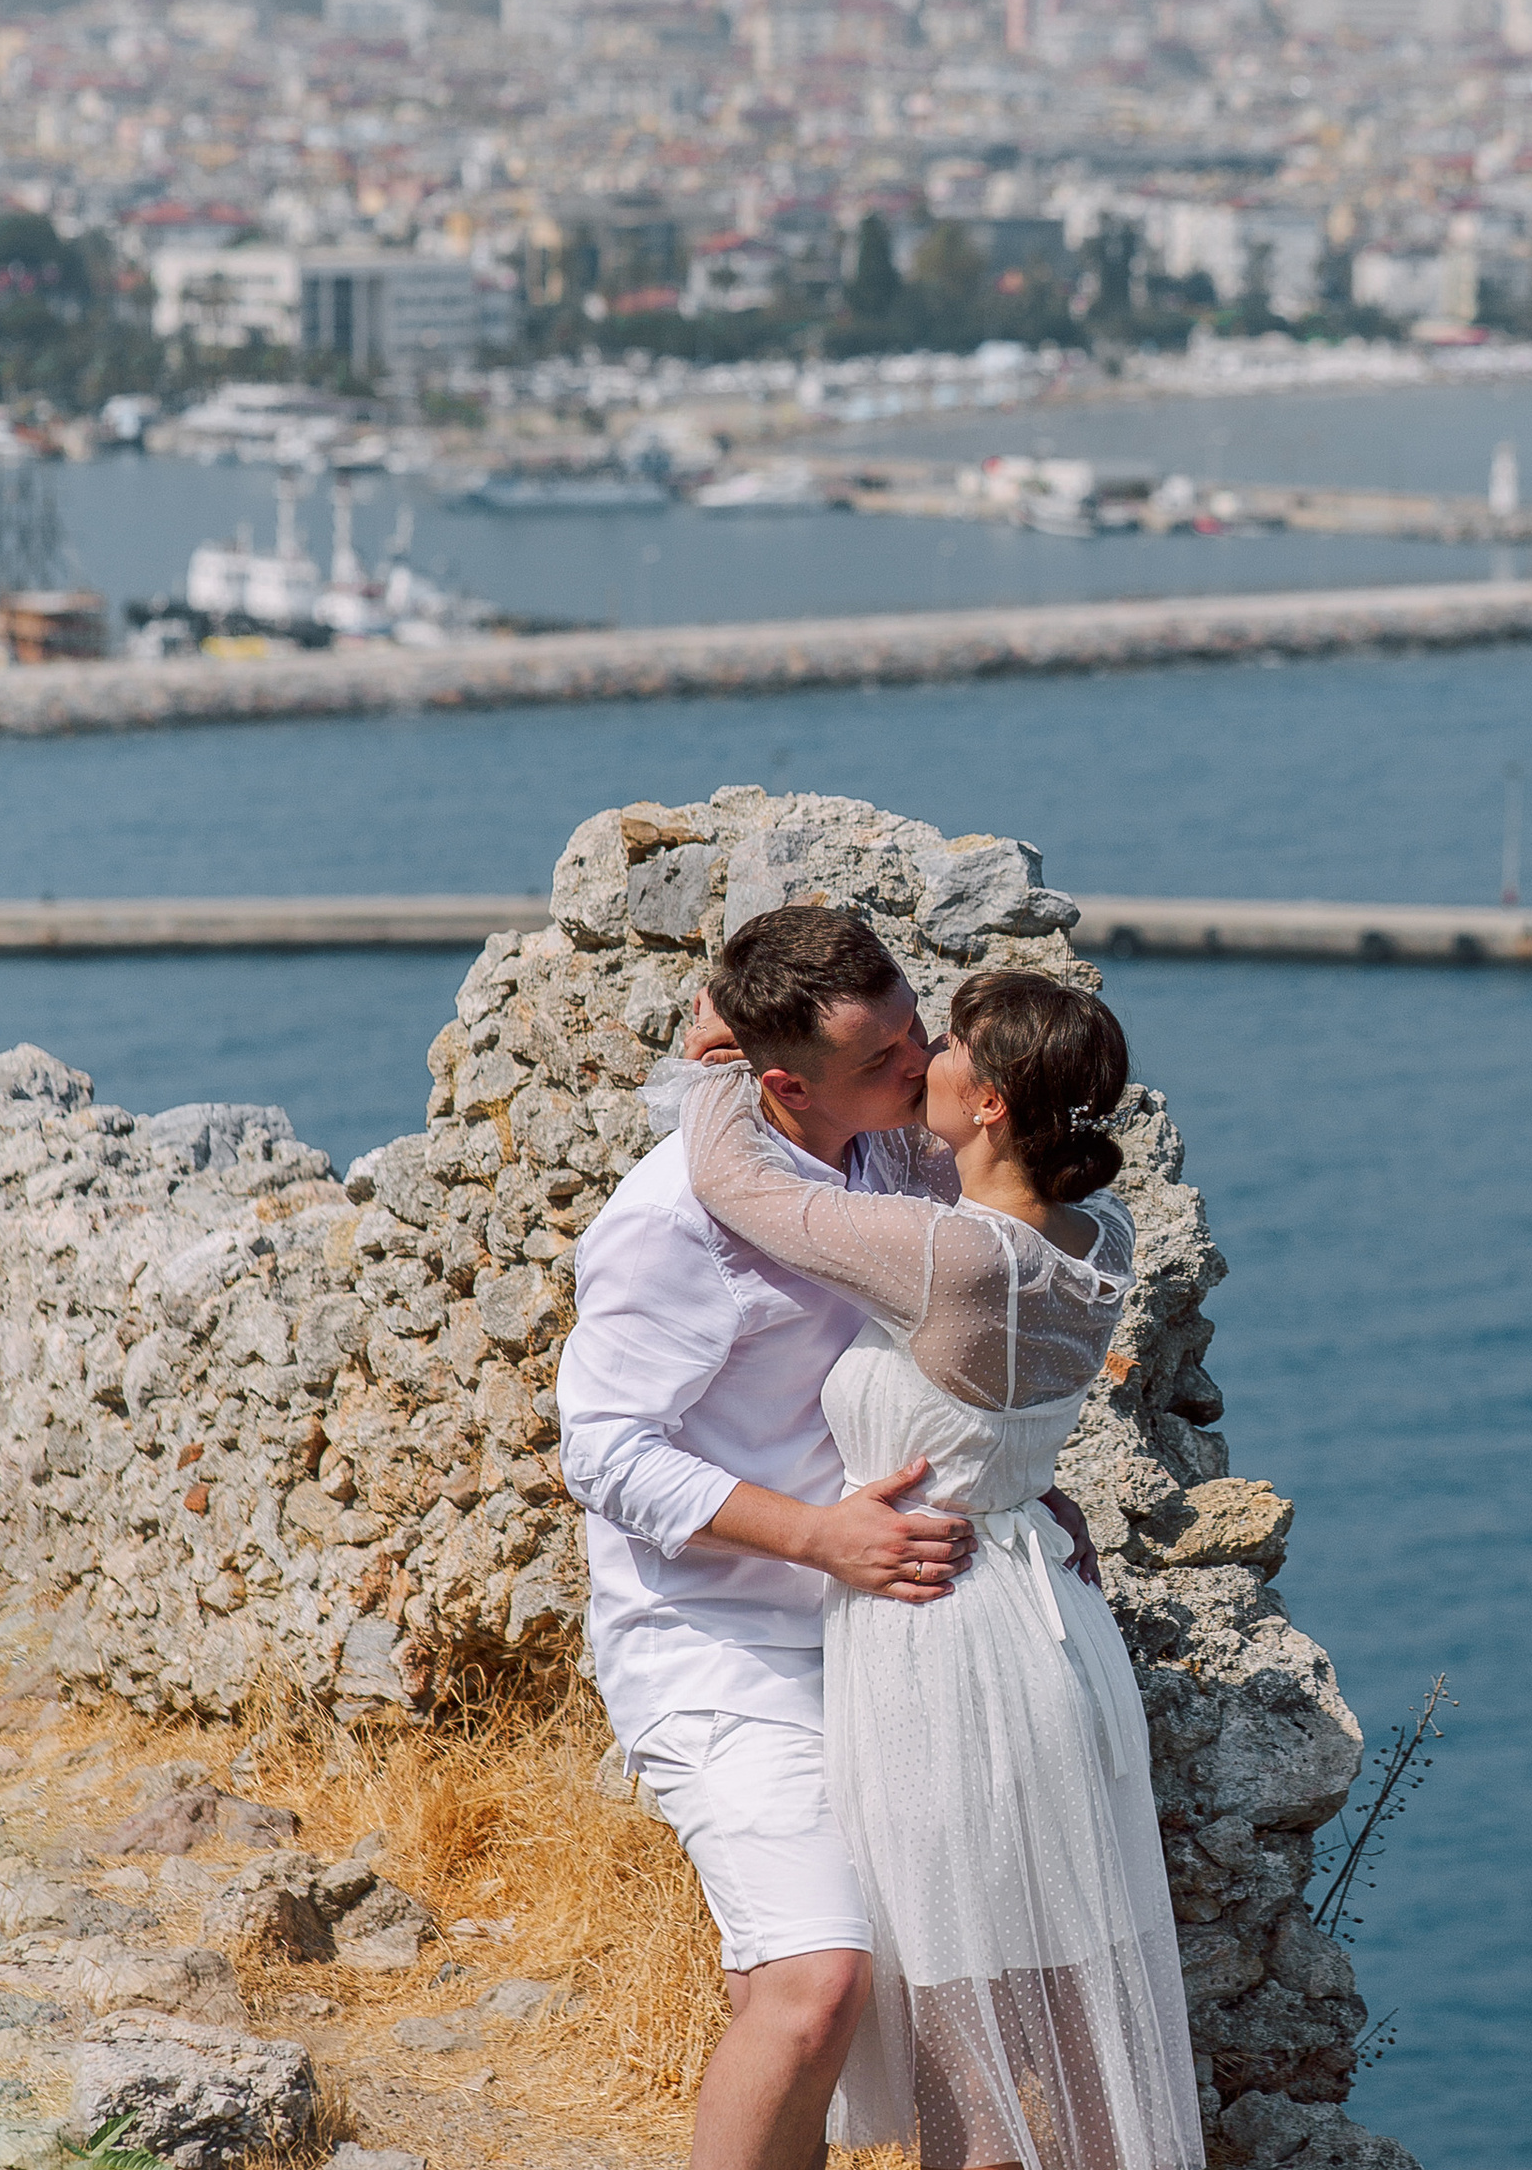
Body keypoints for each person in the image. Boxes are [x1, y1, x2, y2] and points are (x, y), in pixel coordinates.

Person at [557, 904, 1095, 2170]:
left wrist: (1011, 1482)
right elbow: (604, 1453)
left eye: (915, 1031)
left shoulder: (897, 1150)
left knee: (911, 1986)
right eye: (881, 1057)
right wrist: (816, 1536)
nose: (919, 1066)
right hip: (720, 1643)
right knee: (817, 1983)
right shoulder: (669, 1222)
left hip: (895, 1637)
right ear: (786, 1083)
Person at [677, 966, 1205, 2170]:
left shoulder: (951, 1261)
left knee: (967, 2033)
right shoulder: (1099, 1234)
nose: (926, 1057)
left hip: (940, 1643)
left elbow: (739, 1186)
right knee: (1062, 2014)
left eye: (952, 1046)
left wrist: (714, 1061)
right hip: (1048, 1618)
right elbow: (997, 1405)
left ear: (996, 1102)